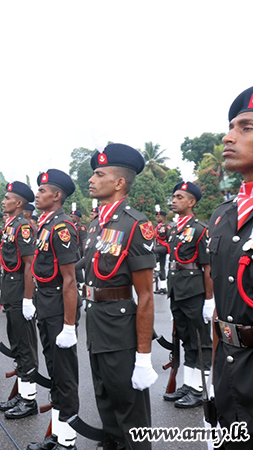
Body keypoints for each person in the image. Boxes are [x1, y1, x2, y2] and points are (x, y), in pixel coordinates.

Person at [83, 143, 157, 450]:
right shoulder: (95, 226)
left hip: (120, 328)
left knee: (129, 407)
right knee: (105, 398)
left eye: (99, 174)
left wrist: (143, 357)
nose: (91, 179)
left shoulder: (135, 224)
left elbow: (146, 296)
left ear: (119, 183)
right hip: (97, 324)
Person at [207, 85, 253, 449]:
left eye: (245, 128)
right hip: (227, 364)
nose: (228, 136)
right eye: (231, 127)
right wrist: (213, 373)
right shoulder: (223, 216)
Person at [26, 170, 80, 450]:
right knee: (55, 373)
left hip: (59, 309)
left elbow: (69, 279)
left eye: (43, 190)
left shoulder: (61, 228)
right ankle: (57, 435)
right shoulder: (45, 226)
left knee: (65, 375)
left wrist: (69, 325)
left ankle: (67, 440)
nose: (38, 194)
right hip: (46, 306)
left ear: (57, 196)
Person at [162, 181, 212, 409]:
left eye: (179, 197)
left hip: (194, 292)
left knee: (201, 340)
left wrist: (209, 301)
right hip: (177, 291)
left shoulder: (200, 229)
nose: (174, 200)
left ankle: (202, 389)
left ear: (192, 202)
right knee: (187, 339)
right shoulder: (176, 229)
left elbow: (207, 267)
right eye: (173, 197)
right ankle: (189, 384)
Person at [0, 181, 40, 420]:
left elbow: (30, 264)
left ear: (19, 203)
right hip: (11, 290)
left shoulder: (23, 227)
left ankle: (29, 399)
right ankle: (22, 393)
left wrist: (28, 299)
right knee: (17, 345)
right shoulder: (9, 226)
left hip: (20, 290)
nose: (3, 201)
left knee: (25, 347)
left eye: (8, 198)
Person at [153, 211, 170, 295]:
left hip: (164, 247)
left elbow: (168, 237)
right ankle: (163, 288)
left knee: (152, 252)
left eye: (159, 217)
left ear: (163, 218)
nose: (157, 218)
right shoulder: (156, 227)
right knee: (162, 267)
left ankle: (155, 267)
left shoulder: (166, 226)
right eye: (157, 217)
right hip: (158, 247)